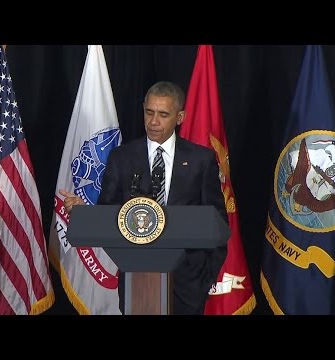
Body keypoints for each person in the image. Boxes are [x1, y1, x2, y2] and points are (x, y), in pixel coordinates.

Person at [60, 81, 228, 315]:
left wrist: (203, 278)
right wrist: (84, 213)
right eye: (149, 112)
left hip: (188, 284)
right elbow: (108, 213)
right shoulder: (122, 157)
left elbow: (218, 223)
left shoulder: (202, 160)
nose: (153, 122)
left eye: (163, 114)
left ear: (180, 117)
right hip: (135, 280)